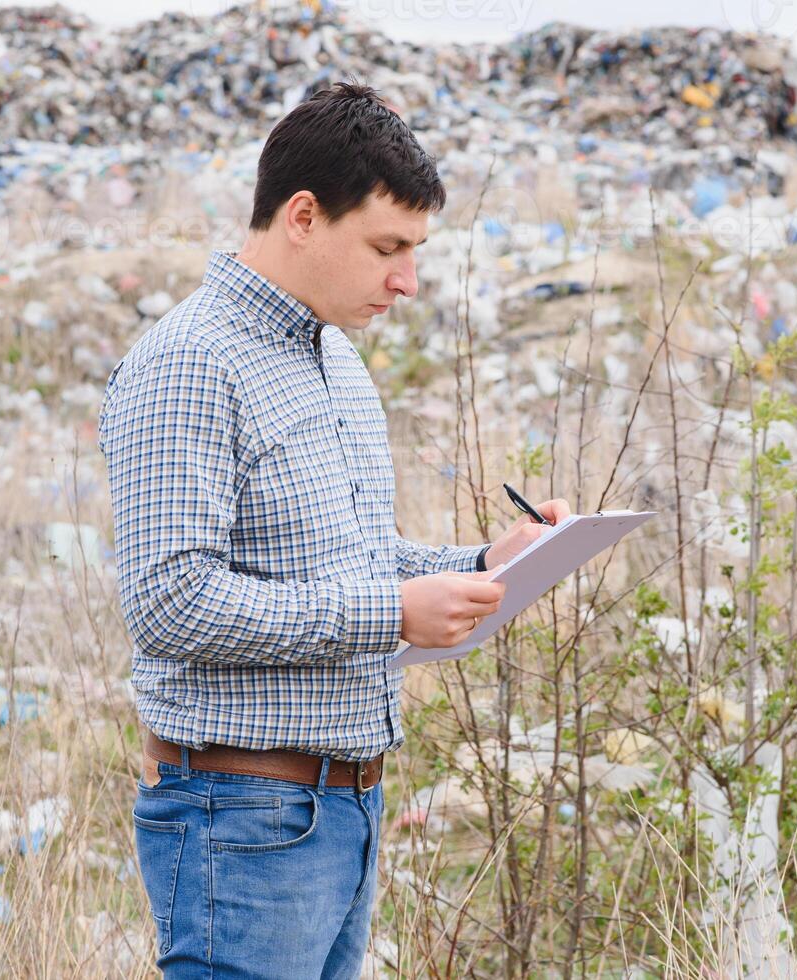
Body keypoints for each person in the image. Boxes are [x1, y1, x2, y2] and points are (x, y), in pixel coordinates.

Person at [97, 81, 568, 979]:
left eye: (416, 251)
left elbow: (357, 561)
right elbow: (168, 603)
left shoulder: (337, 359)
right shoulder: (188, 363)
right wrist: (392, 612)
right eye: (387, 247)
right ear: (304, 216)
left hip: (343, 807)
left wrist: (482, 562)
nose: (407, 280)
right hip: (238, 814)